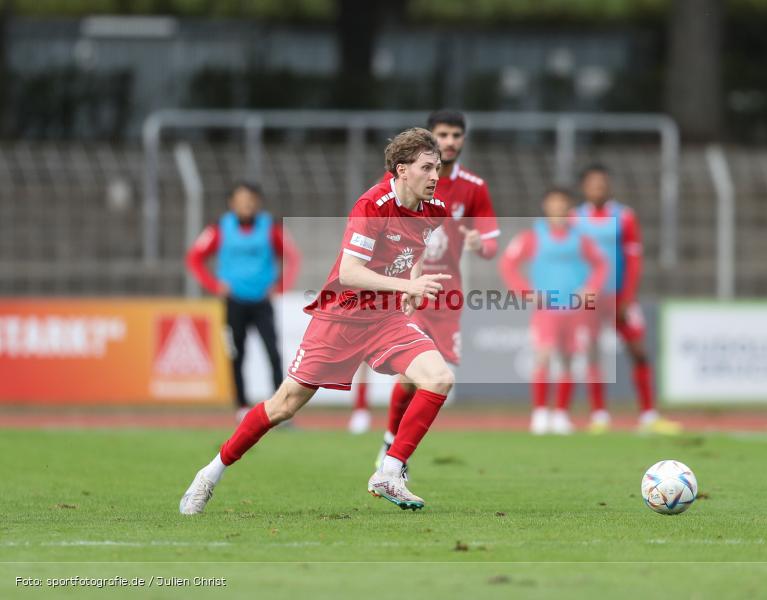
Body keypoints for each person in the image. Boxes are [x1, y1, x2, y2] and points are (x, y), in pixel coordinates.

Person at [179, 128, 453, 514]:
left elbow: (414, 249)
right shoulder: (372, 205)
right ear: (401, 170)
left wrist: (410, 285)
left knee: (438, 377)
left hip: (386, 319)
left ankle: (389, 470)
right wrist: (404, 282)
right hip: (341, 318)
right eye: (427, 167)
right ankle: (210, 474)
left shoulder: (434, 211)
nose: (435, 175)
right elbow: (350, 272)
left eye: (438, 167)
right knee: (284, 405)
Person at [371, 109, 500, 466]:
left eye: (456, 136)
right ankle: (393, 452)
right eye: (443, 135)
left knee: (427, 380)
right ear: (430, 137)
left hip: (446, 298)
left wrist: (479, 244)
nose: (450, 142)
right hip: (407, 291)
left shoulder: (473, 187)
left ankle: (390, 446)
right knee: (412, 372)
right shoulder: (407, 179)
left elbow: (491, 243)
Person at [574, 164, 681, 434]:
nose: (598, 187)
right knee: (594, 354)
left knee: (639, 352)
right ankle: (599, 417)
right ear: (584, 187)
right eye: (593, 183)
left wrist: (627, 297)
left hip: (620, 297)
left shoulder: (624, 217)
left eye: (602, 183)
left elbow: (633, 259)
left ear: (608, 186)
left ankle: (649, 415)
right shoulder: (575, 219)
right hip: (591, 300)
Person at [186, 182, 300, 422]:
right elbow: (194, 258)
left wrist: (279, 286)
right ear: (232, 203)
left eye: (250, 199)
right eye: (241, 199)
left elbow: (292, 257)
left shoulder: (270, 227)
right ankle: (241, 406)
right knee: (236, 353)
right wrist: (214, 285)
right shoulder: (219, 228)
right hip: (234, 302)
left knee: (273, 352)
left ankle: (280, 407)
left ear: (257, 202)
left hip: (261, 302)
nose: (246, 204)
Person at [500, 188, 607, 434]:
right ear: (546, 207)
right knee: (544, 354)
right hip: (546, 308)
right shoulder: (533, 236)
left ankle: (561, 413)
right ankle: (539, 413)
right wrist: (525, 292)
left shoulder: (581, 239)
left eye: (563, 205)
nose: (558, 209)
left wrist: (591, 289)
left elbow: (601, 265)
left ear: (569, 209)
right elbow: (508, 263)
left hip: (574, 308)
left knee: (569, 358)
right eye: (554, 204)